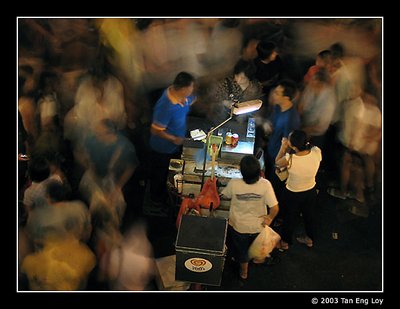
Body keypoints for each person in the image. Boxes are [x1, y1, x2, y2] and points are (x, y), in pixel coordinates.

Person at [221, 155, 279, 280]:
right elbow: (275, 208)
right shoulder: (265, 184)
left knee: (241, 251)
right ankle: (258, 258)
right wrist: (269, 218)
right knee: (256, 246)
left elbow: (224, 196)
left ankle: (244, 272)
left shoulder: (234, 183)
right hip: (258, 227)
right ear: (259, 171)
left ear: (241, 172)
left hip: (238, 227)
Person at [148, 72, 196, 214]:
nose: (192, 90)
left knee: (169, 173)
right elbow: (155, 130)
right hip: (162, 149)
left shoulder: (182, 97)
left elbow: (191, 100)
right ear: (183, 89)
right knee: (160, 175)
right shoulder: (165, 106)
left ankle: (168, 194)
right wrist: (173, 139)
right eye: (190, 88)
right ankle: (156, 201)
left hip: (175, 145)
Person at [275, 130, 321, 250]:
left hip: (292, 193)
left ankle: (285, 243)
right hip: (310, 190)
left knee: (289, 217)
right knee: (309, 216)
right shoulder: (316, 151)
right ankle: (310, 239)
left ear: (293, 145)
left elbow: (277, 163)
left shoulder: (290, 159)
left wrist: (283, 146)